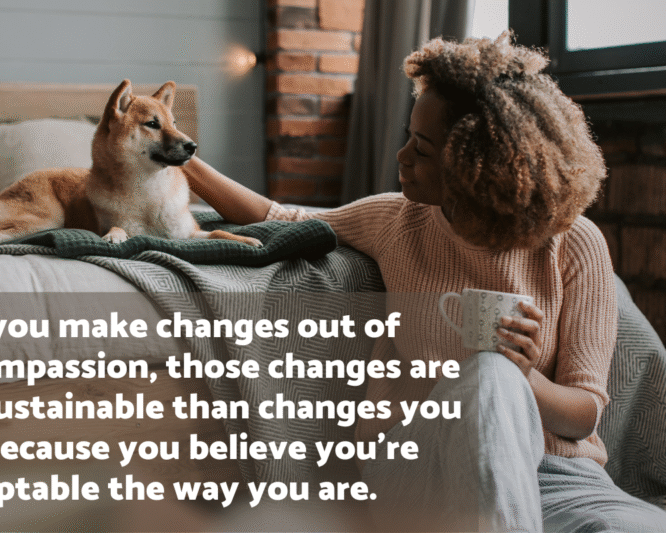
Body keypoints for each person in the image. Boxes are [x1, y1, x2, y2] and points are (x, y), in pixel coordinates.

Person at [182, 33, 666, 532]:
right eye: (409, 137)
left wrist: (526, 377)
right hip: (423, 469)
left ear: (478, 164)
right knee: (489, 378)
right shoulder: (397, 221)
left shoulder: (575, 243)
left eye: (424, 148)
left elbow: (582, 415)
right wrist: (181, 157)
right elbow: (280, 216)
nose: (402, 156)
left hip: (559, 479)